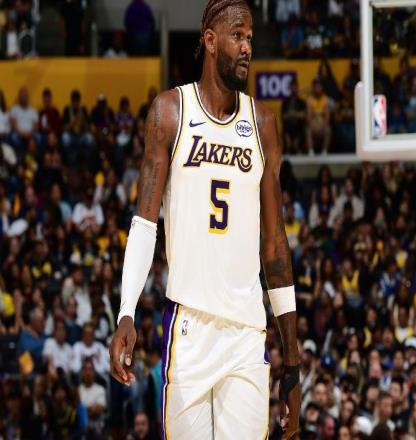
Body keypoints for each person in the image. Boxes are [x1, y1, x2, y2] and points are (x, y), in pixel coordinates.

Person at [109, 1, 300, 439]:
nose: (247, 46)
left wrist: (292, 359)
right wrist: (126, 312)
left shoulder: (263, 124)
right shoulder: (170, 112)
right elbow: (145, 223)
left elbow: (274, 244)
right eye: (237, 35)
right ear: (210, 41)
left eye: (250, 37)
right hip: (190, 325)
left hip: (246, 330)